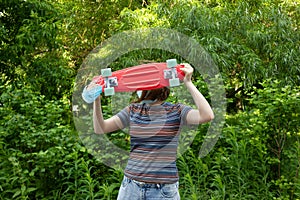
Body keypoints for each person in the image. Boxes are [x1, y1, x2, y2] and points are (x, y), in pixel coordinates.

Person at [85, 63, 214, 199]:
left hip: (162, 190)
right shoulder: (133, 110)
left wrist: (188, 82)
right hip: (131, 187)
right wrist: (96, 99)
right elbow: (100, 128)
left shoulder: (176, 111)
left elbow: (207, 115)